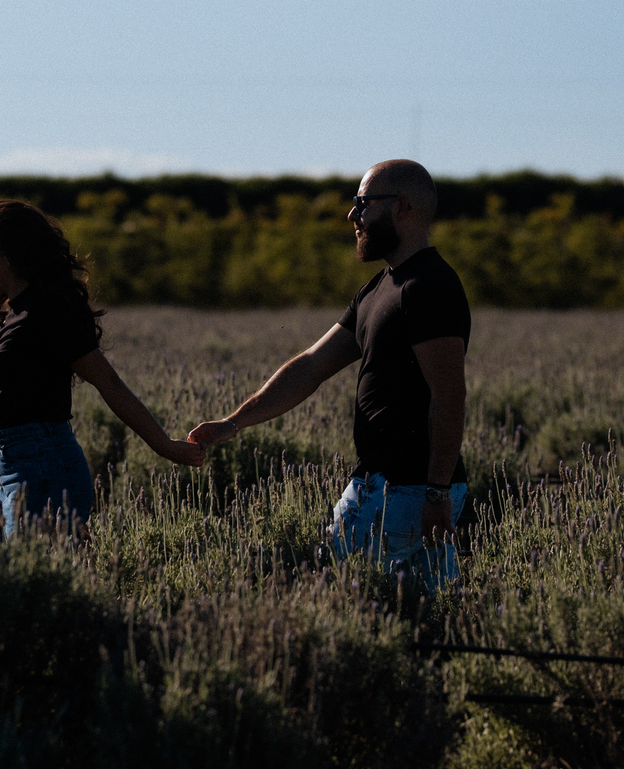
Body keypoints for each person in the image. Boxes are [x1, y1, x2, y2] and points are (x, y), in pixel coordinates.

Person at [189, 160, 470, 589]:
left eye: (362, 203)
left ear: (402, 207)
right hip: (392, 485)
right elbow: (312, 366)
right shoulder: (379, 288)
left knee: (336, 593)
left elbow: (449, 397)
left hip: (405, 490)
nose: (352, 216)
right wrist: (234, 422)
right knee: (419, 617)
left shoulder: (429, 286)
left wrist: (435, 494)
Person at [0, 199, 204, 536]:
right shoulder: (17, 312)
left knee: (29, 576)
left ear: (5, 249)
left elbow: (108, 381)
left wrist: (164, 445)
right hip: (17, 466)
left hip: (43, 465)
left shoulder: (46, 313)